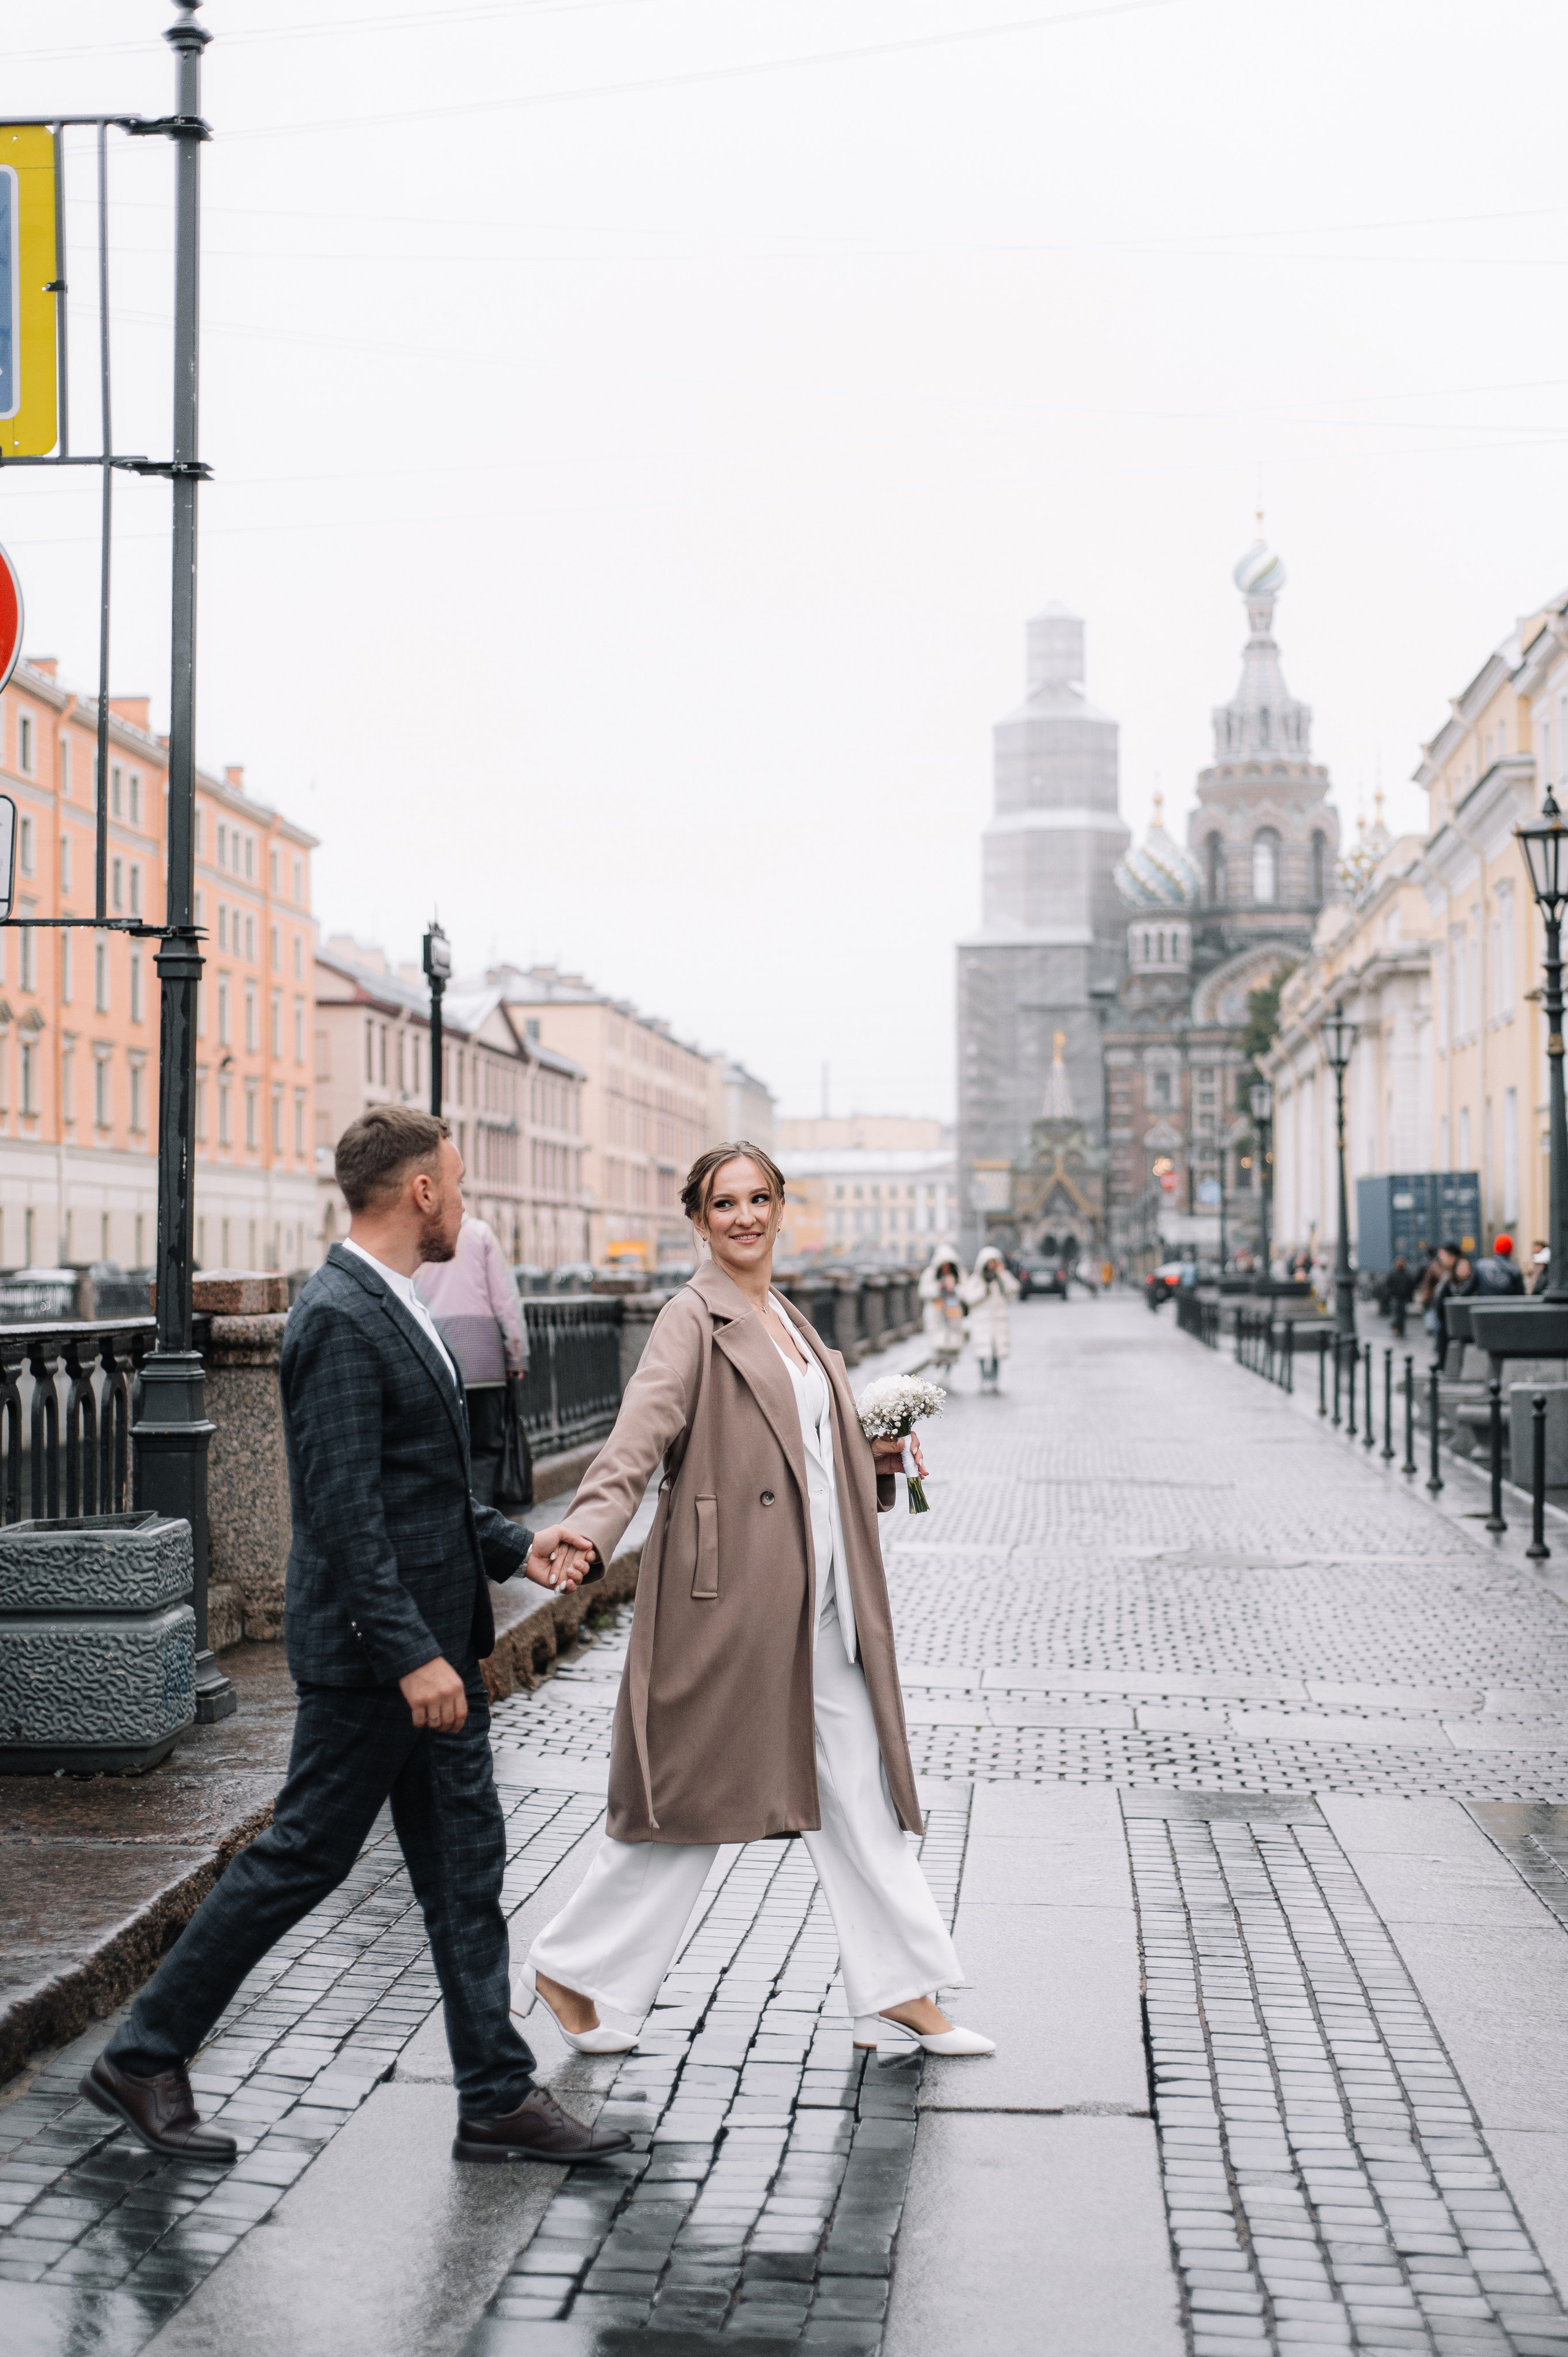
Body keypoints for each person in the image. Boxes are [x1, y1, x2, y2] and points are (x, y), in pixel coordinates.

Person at [82, 1107, 626, 2170]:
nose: (464, 1202)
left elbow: (418, 1490)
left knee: (466, 1869)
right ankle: (143, 2055)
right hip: (382, 1664)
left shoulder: (395, 1301)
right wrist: (411, 1655)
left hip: (434, 1649)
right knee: (302, 1856)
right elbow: (342, 1512)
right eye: (457, 1183)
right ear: (421, 1190)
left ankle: (495, 2097)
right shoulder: (337, 1314)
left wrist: (519, 1545)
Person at [517, 1142, 994, 2062]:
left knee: (863, 1791)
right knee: (687, 1798)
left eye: (759, 1199)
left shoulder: (789, 1318)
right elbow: (639, 1434)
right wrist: (590, 1527)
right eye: (725, 1203)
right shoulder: (690, 1319)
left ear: (781, 1207)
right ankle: (572, 1968)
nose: (744, 1217)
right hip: (733, 1598)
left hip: (823, 1600)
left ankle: (899, 1990)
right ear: (699, 1220)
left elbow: (803, 1446)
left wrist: (870, 1454)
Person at [417, 1212, 532, 1510]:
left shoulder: (416, 1234)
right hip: (483, 1365)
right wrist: (516, 1356)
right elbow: (506, 1300)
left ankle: (451, 1521)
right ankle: (482, 1523)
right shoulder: (480, 1233)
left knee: (441, 1451)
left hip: (433, 1361)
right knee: (484, 1450)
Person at [963, 1245, 1019, 1395]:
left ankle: (994, 1379)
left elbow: (1013, 1288)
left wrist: (1003, 1274)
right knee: (982, 1352)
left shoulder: (1000, 1279)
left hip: (998, 1321)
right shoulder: (976, 1280)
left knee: (996, 1352)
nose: (991, 1267)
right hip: (981, 1321)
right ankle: (983, 1378)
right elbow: (969, 1298)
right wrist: (983, 1291)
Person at [918, 1249, 969, 1371]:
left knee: (952, 1345)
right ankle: (938, 1369)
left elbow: (967, 1291)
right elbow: (923, 1291)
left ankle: (947, 1370)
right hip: (935, 1314)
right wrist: (939, 1287)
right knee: (937, 1344)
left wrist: (955, 1289)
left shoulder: (960, 1274)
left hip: (954, 1314)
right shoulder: (930, 1274)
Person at [1472, 1233, 1526, 1297]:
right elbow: (1521, 1296)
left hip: (1484, 1303)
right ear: (1511, 1250)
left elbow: (1468, 1291)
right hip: (1506, 1303)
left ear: (1495, 1248)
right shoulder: (1515, 1270)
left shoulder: (1480, 1265)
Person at [1384, 1254, 1415, 1338]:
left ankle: (1397, 1329)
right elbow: (1411, 1287)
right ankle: (1400, 1329)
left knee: (1396, 1315)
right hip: (1402, 1298)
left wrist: (1389, 1296)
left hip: (1396, 1297)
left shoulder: (1393, 1274)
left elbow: (1388, 1286)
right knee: (1401, 1315)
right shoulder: (1407, 1275)